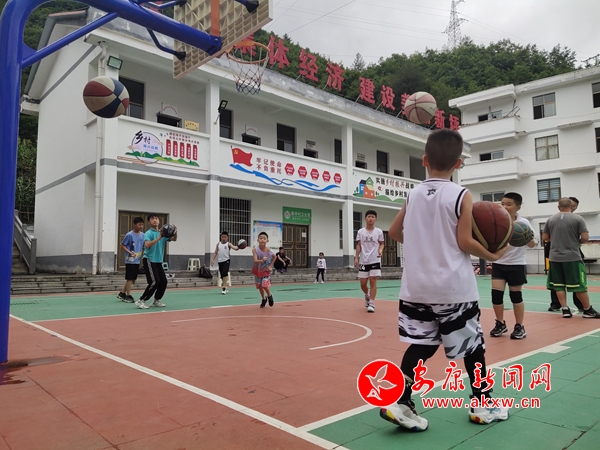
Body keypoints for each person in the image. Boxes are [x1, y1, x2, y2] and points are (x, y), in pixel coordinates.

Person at [383, 129, 511, 431]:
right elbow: (465, 241)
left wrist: (423, 243)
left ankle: (401, 403)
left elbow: (395, 232)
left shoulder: (413, 194)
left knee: (421, 346)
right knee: (472, 347)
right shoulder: (461, 194)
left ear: (424, 160)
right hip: (453, 288)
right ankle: (482, 403)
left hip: (415, 288)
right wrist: (493, 255)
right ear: (459, 164)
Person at [543, 198, 600, 319]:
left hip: (555, 257)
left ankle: (565, 309)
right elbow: (585, 237)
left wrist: (557, 240)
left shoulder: (550, 219)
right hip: (572, 256)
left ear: (558, 207)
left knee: (558, 285)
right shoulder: (578, 219)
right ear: (571, 206)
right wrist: (576, 242)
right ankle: (587, 310)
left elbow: (545, 237)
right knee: (579, 285)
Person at [489, 193, 536, 340]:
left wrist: (527, 238)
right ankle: (500, 323)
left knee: (516, 296)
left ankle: (519, 326)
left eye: (508, 204)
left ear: (518, 207)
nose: (504, 206)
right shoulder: (496, 222)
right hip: (499, 263)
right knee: (496, 295)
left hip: (516, 264)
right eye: (502, 203)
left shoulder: (523, 223)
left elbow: (533, 244)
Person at [548, 196, 584, 312]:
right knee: (557, 281)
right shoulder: (553, 219)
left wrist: (576, 242)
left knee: (576, 281)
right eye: (571, 204)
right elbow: (546, 236)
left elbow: (583, 237)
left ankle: (580, 304)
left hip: (572, 252)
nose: (573, 207)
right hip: (556, 252)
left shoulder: (577, 219)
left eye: (575, 206)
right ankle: (556, 304)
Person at [137, 214, 177, 309]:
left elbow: (174, 239)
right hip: (149, 260)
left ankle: (156, 300)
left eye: (156, 218)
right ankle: (141, 300)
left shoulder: (163, 233)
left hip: (158, 261)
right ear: (149, 222)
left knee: (163, 281)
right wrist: (159, 237)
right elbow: (147, 245)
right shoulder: (148, 233)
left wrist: (175, 231)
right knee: (154, 281)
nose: (155, 220)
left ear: (159, 221)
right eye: (152, 219)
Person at [355, 210, 384, 313]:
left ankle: (371, 303)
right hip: (363, 260)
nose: (371, 218)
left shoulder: (379, 231)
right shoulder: (361, 232)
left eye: (373, 217)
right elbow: (358, 245)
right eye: (369, 216)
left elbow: (382, 243)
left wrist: (380, 251)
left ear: (375, 219)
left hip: (375, 259)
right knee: (363, 283)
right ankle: (367, 295)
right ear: (365, 218)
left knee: (373, 280)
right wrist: (356, 257)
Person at [117, 217, 145, 303]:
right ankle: (128, 295)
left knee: (132, 278)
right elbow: (122, 245)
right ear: (134, 225)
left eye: (142, 225)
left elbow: (144, 245)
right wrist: (129, 252)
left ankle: (122, 293)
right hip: (130, 260)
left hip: (137, 259)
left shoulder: (143, 235)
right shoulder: (129, 235)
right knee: (129, 278)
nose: (141, 226)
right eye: (139, 224)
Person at [252, 232, 275, 308]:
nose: (262, 240)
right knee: (259, 286)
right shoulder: (255, 250)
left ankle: (269, 295)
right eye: (260, 238)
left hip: (266, 270)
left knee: (264, 285)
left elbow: (275, 257)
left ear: (267, 241)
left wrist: (270, 266)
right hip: (257, 270)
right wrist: (262, 260)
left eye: (264, 238)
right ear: (258, 240)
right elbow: (255, 261)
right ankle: (263, 299)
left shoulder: (268, 250)